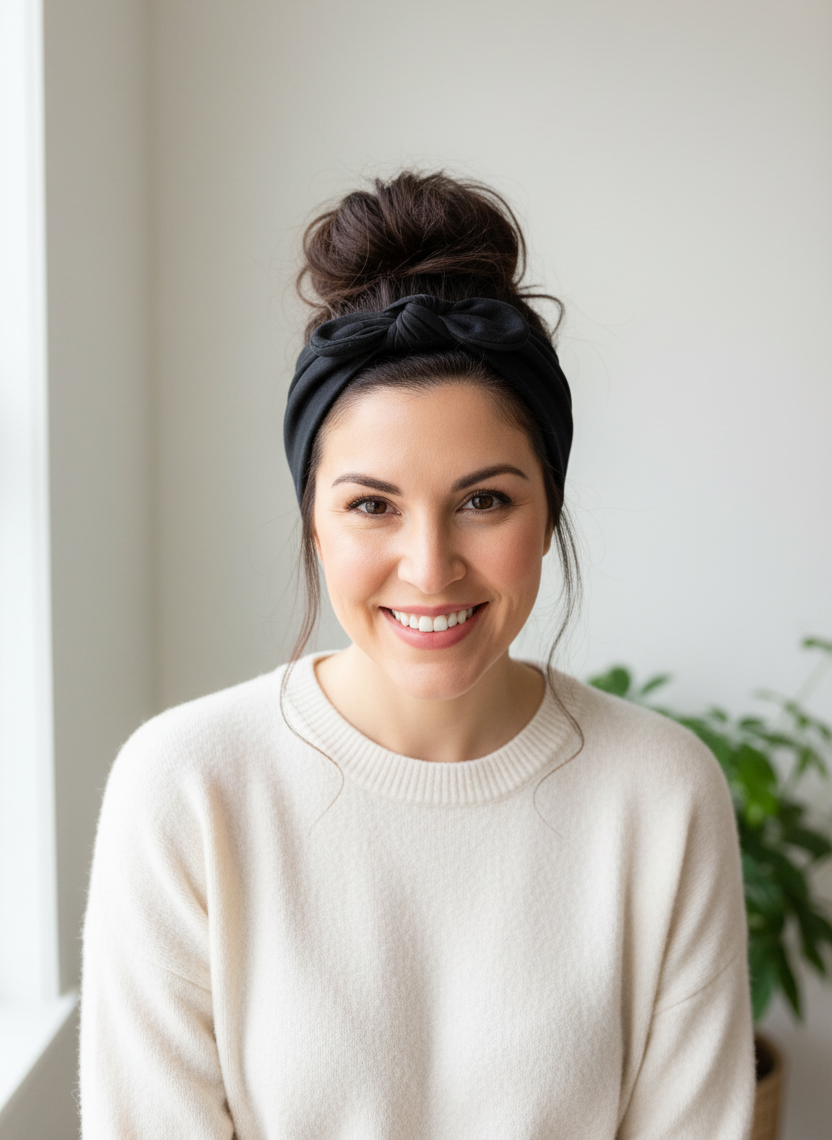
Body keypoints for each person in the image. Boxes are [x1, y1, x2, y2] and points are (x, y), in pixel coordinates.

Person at [79, 170, 756, 1138]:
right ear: (314, 522)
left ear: (548, 513)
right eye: (372, 505)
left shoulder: (659, 790)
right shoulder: (189, 784)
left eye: (484, 500)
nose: (430, 567)